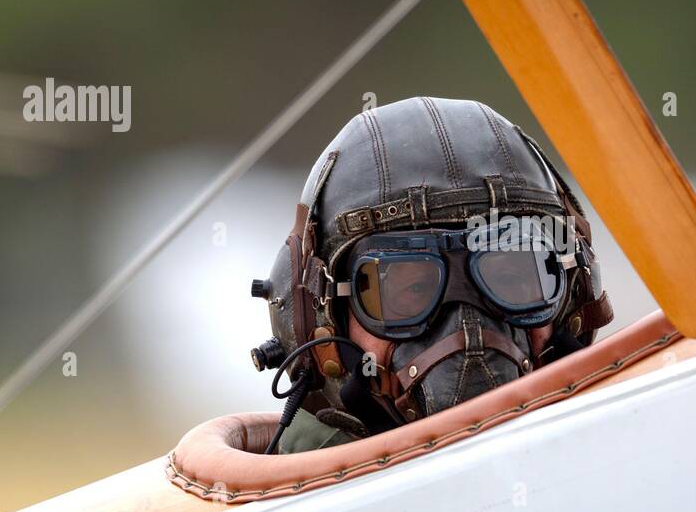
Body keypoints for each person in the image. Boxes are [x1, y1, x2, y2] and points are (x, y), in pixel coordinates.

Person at [247, 96, 613, 453]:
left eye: (509, 281)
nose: (469, 331)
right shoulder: (282, 511)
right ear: (321, 319)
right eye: (413, 289)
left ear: (573, 298)